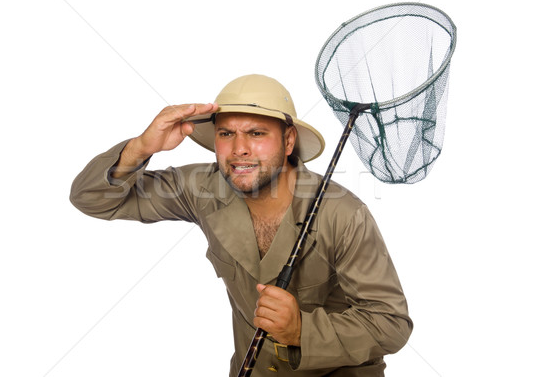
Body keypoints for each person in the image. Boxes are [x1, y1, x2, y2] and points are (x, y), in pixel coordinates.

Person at [70, 74, 412, 376]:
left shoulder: (344, 214)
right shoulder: (202, 187)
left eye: (257, 133)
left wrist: (301, 331)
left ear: (288, 141)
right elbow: (92, 198)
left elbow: (390, 324)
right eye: (226, 133)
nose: (239, 149)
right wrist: (140, 148)